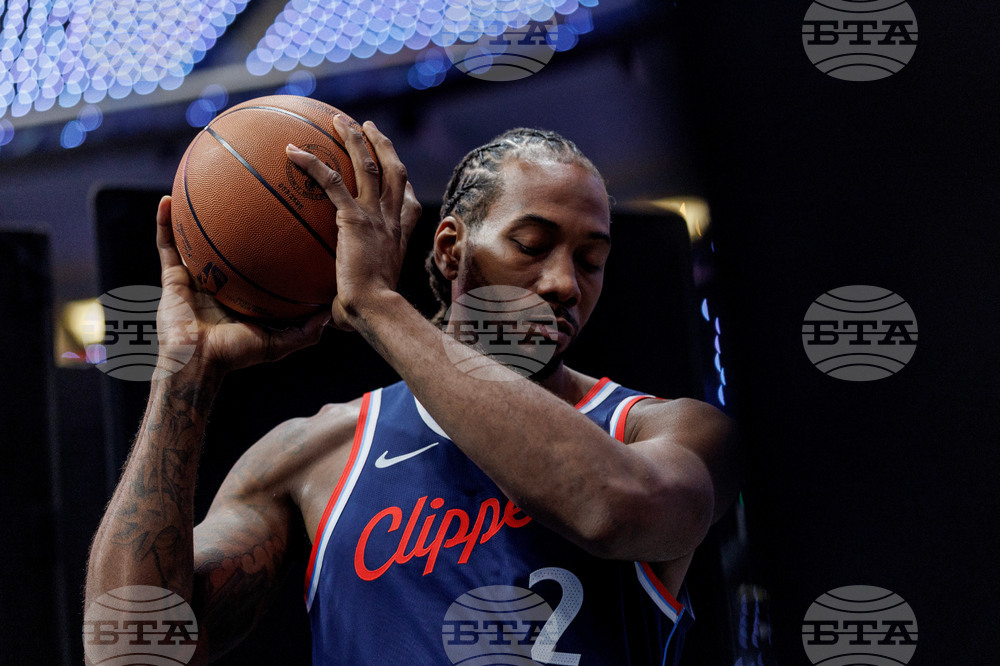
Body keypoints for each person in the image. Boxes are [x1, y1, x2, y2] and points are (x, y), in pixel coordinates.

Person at [85, 118, 737, 665]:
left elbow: (609, 508)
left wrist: (373, 302)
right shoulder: (316, 452)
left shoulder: (662, 432)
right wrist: (181, 377)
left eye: (591, 260)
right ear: (451, 250)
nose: (566, 282)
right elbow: (130, 650)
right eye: (532, 245)